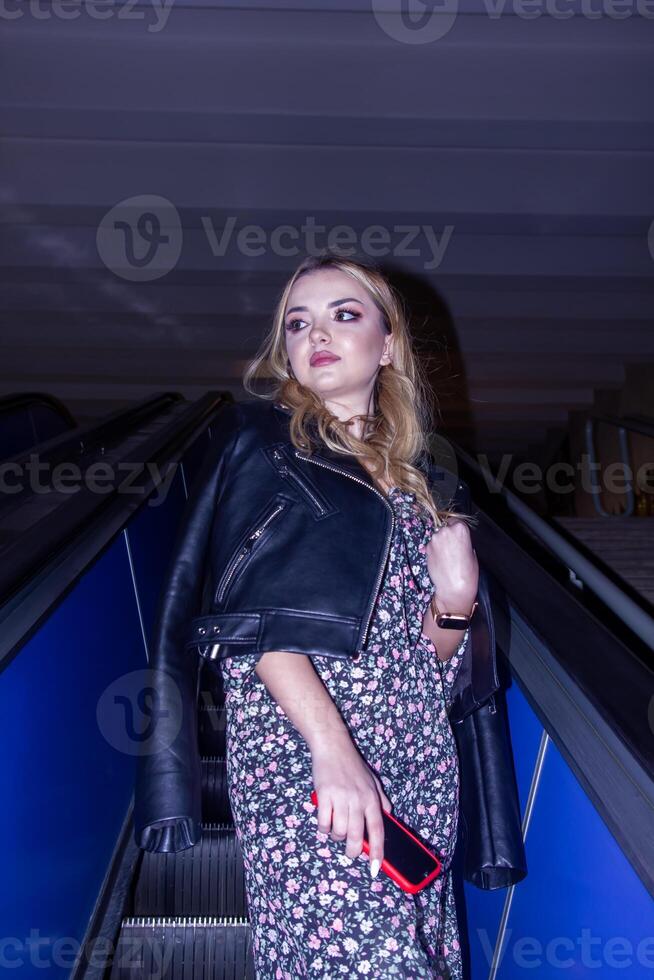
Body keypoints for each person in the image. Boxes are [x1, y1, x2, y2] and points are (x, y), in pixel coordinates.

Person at [212, 252, 480, 978]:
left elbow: (422, 656)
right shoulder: (271, 449)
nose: (316, 335)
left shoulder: (416, 481)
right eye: (298, 323)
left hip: (413, 754)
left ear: (389, 345)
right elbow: (252, 624)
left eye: (344, 314)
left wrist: (453, 605)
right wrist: (334, 753)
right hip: (312, 750)